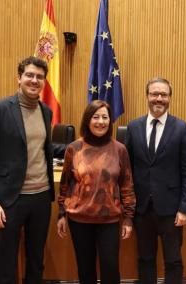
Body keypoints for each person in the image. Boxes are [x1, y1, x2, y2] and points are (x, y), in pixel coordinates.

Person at [0, 56, 55, 284]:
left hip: (41, 198)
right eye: (29, 75)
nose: (34, 80)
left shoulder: (46, 111)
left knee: (36, 260)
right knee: (7, 264)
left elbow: (41, 149)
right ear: (19, 78)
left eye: (39, 77)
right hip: (10, 200)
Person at [125, 77, 186, 284]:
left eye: (164, 95)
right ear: (147, 96)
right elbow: (127, 171)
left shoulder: (182, 128)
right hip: (142, 209)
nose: (159, 98)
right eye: (155, 94)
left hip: (172, 210)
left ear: (169, 98)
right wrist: (128, 209)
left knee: (173, 260)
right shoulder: (133, 127)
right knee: (145, 259)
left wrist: (185, 208)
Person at [57, 100, 136, 284]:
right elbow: (65, 184)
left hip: (109, 219)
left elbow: (127, 185)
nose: (100, 121)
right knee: (85, 270)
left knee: (110, 269)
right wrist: (61, 213)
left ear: (110, 121)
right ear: (87, 120)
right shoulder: (74, 148)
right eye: (96, 117)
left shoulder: (119, 149)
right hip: (79, 219)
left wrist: (128, 217)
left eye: (105, 117)